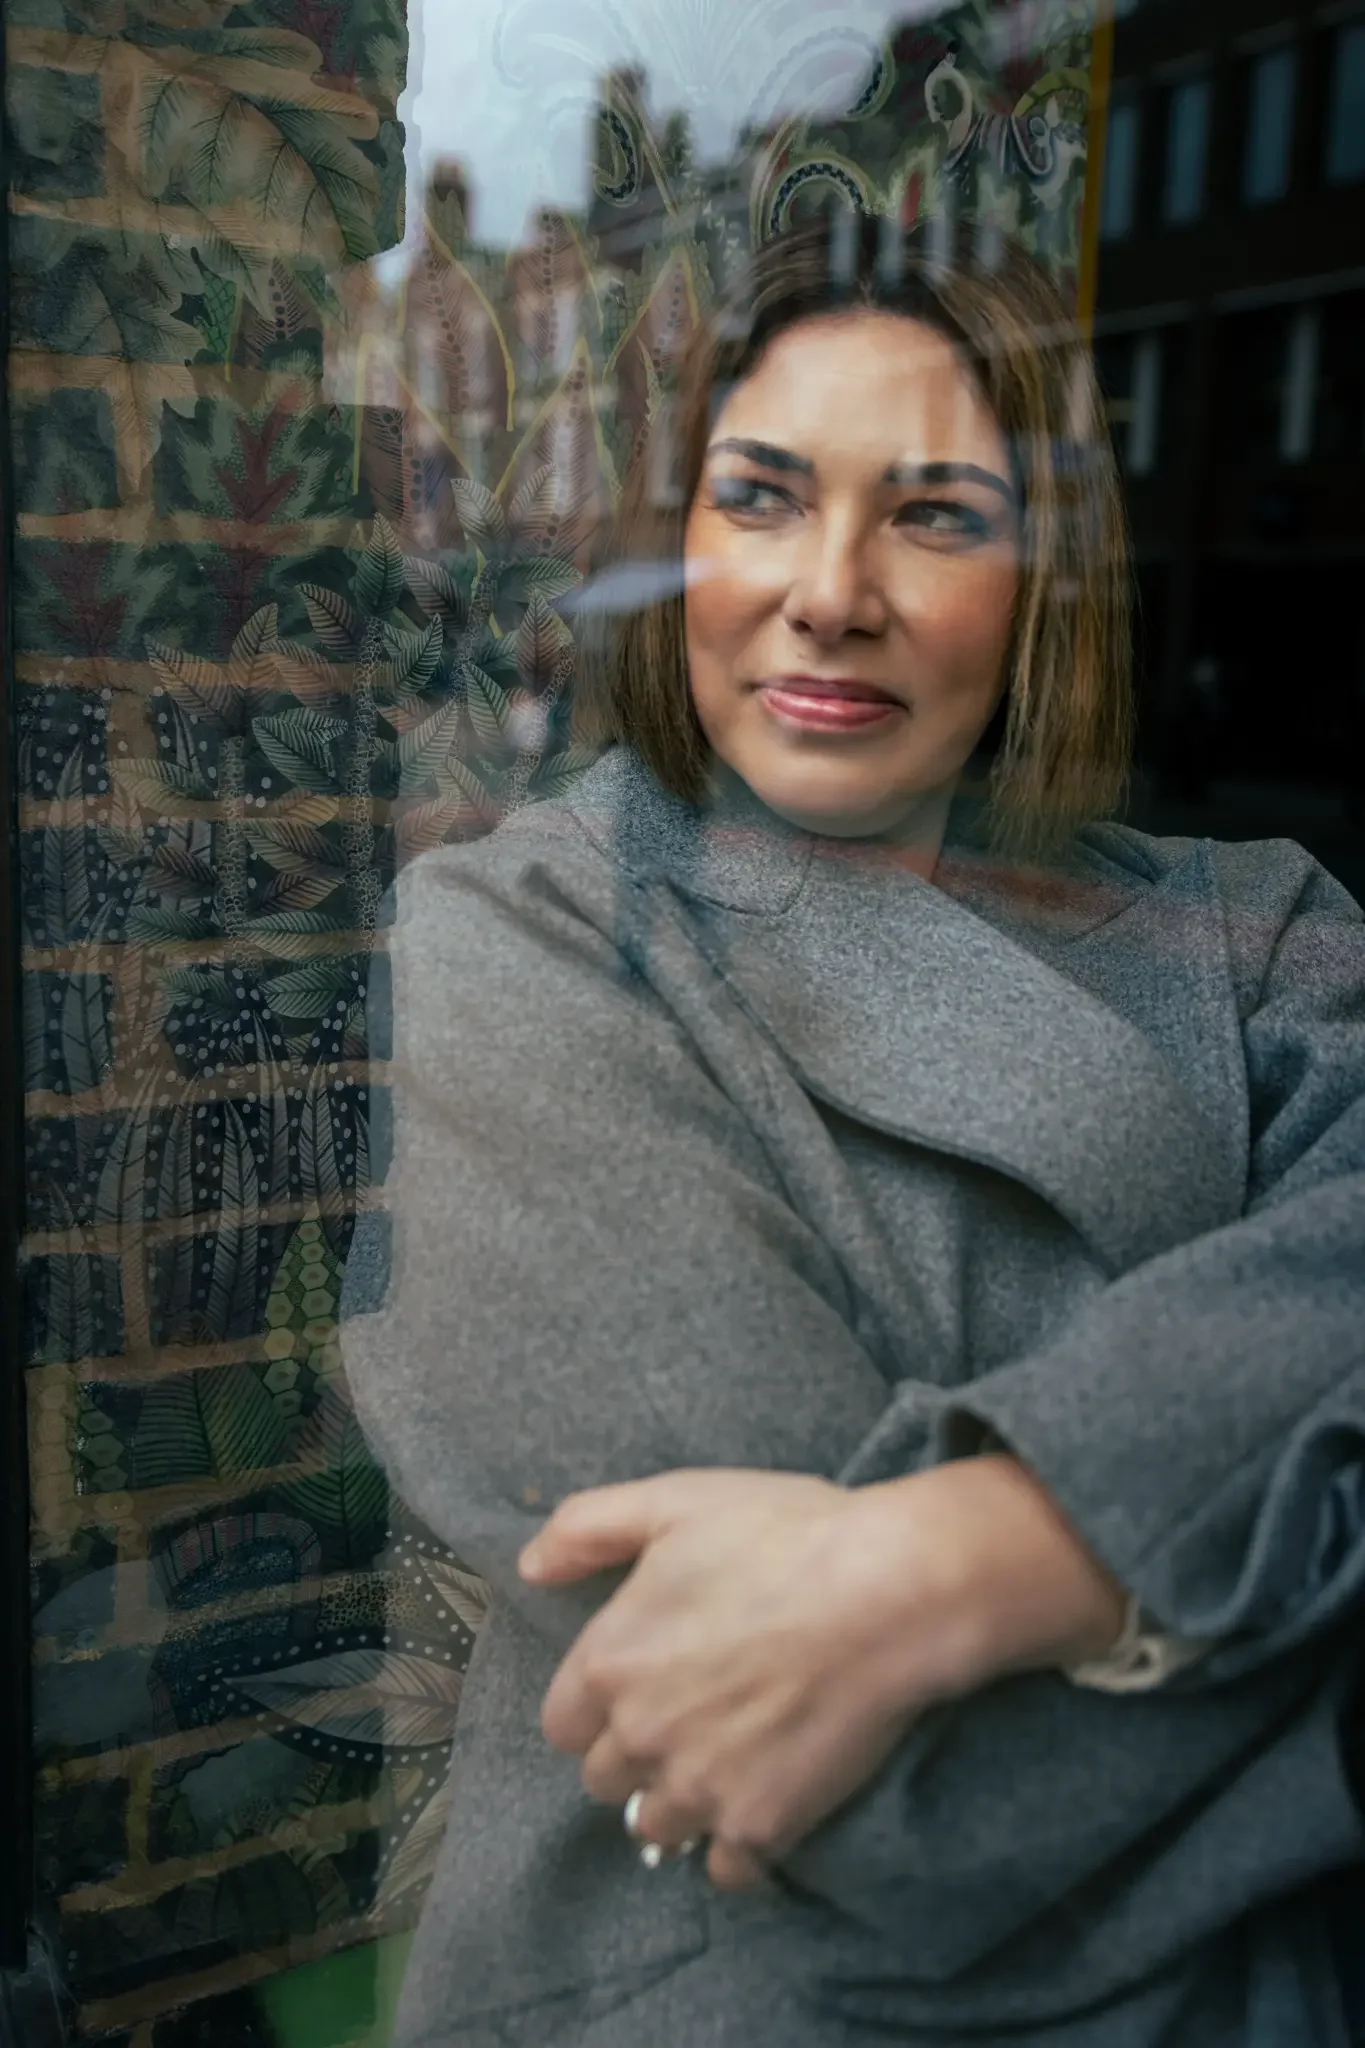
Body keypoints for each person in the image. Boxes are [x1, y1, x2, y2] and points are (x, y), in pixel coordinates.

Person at [340, 217, 1365, 2047]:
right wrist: (1234, 1537)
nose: (831, 588)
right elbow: (845, 1771)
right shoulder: (518, 938)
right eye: (763, 495)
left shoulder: (1264, 928)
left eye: (937, 513)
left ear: (1045, 578)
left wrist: (966, 1556)